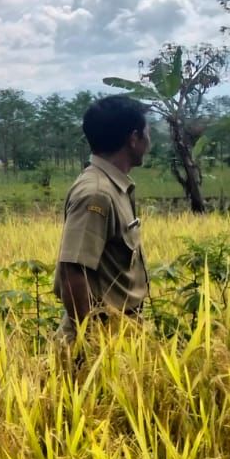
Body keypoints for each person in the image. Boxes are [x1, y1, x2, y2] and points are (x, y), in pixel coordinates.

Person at [55, 96, 151, 340]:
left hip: (120, 330)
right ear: (133, 138)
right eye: (146, 133)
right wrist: (86, 342)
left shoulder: (111, 186)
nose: (149, 141)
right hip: (102, 334)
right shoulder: (97, 193)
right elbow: (72, 271)